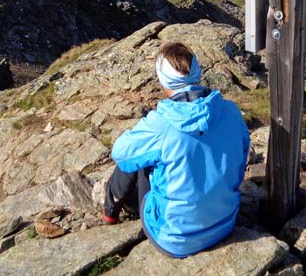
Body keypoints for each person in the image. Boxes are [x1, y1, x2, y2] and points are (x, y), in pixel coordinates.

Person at [102, 41, 250, 258]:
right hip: (225, 222)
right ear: (198, 73)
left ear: (163, 79)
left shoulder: (160, 125)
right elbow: (242, 155)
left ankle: (110, 212)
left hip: (175, 240)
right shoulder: (231, 111)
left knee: (138, 157)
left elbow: (120, 153)